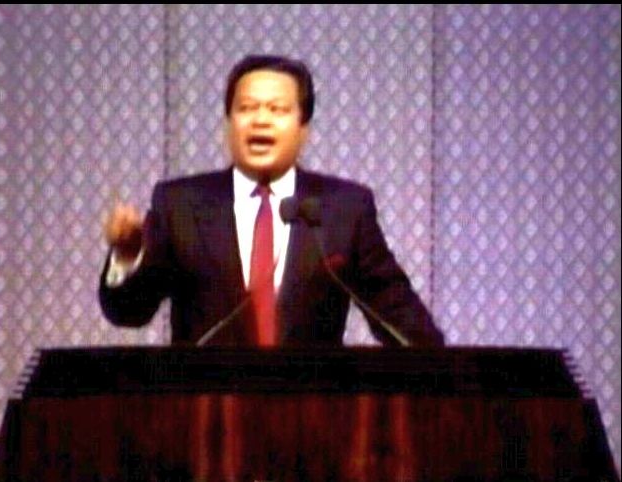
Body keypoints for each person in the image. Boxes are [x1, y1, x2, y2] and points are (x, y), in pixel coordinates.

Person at [99, 54, 444, 348]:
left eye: (277, 109)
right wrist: (128, 256)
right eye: (246, 108)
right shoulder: (180, 205)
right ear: (228, 123)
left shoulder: (345, 209)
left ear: (303, 128)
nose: (261, 120)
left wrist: (442, 371)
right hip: (207, 403)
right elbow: (128, 312)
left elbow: (401, 319)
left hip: (312, 402)